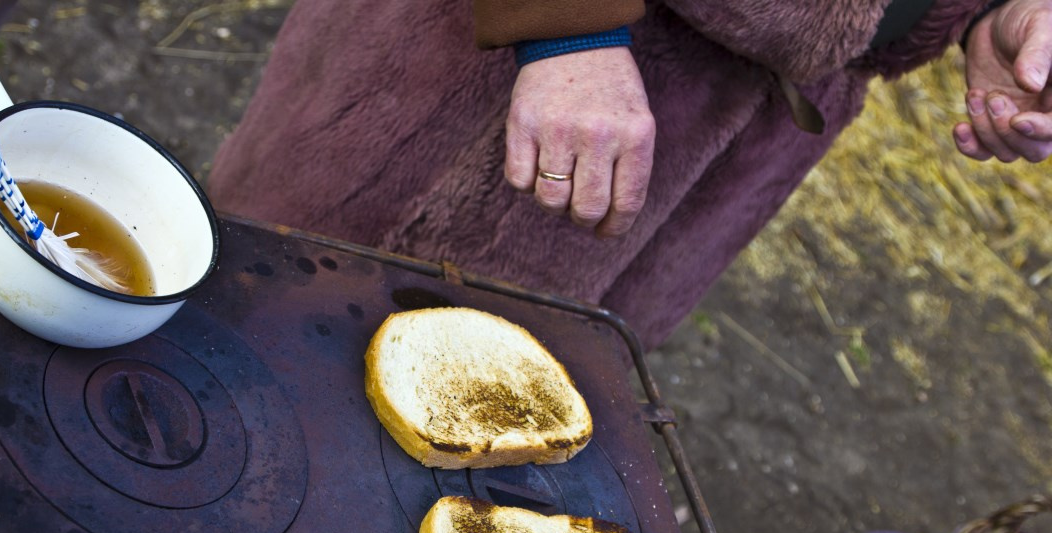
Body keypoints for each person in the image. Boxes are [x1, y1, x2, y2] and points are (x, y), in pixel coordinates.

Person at [207, 0, 1052, 348]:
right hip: (491, 70)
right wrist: (568, 28)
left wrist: (985, 13)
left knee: (506, 386)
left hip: (731, 143)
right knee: (261, 327)